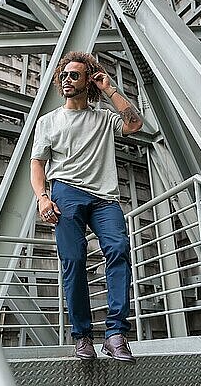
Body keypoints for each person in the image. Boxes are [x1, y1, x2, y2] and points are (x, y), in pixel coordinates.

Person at [30, 51, 143, 363]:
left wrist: (109, 88)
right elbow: (37, 165)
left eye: (75, 75)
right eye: (64, 76)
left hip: (105, 199)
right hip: (66, 193)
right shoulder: (49, 122)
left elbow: (134, 124)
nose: (67, 80)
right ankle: (82, 337)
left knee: (118, 250)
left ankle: (116, 334)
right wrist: (43, 198)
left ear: (88, 81)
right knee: (74, 260)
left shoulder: (104, 117)